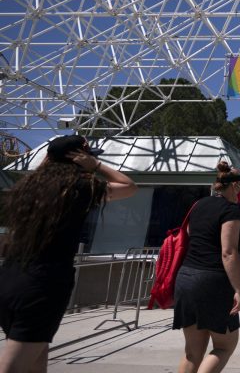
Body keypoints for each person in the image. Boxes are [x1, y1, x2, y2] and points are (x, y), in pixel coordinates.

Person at [0, 135, 137, 372]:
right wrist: (96, 166)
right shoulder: (80, 188)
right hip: (44, 283)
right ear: (80, 158)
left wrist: (49, 159)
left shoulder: (26, 189)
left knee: (36, 358)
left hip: (10, 276)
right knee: (15, 365)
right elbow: (129, 186)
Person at [174, 161, 240, 372]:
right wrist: (239, 289)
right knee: (225, 345)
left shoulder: (198, 205)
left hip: (186, 277)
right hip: (212, 281)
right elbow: (228, 252)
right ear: (234, 186)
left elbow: (188, 235)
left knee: (193, 351)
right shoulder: (230, 210)